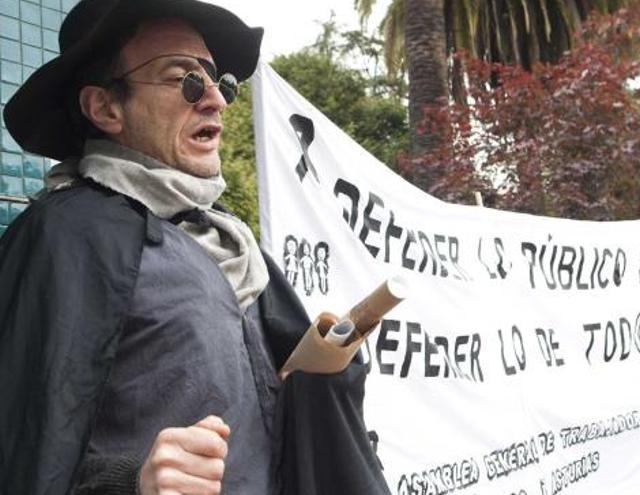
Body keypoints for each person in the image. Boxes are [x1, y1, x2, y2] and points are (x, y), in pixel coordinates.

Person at [0, 1, 388, 494]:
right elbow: (25, 446)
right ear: (105, 108)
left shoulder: (229, 238)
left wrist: (323, 373)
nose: (216, 101)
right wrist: (131, 484)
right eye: (184, 80)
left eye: (219, 83)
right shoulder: (62, 236)